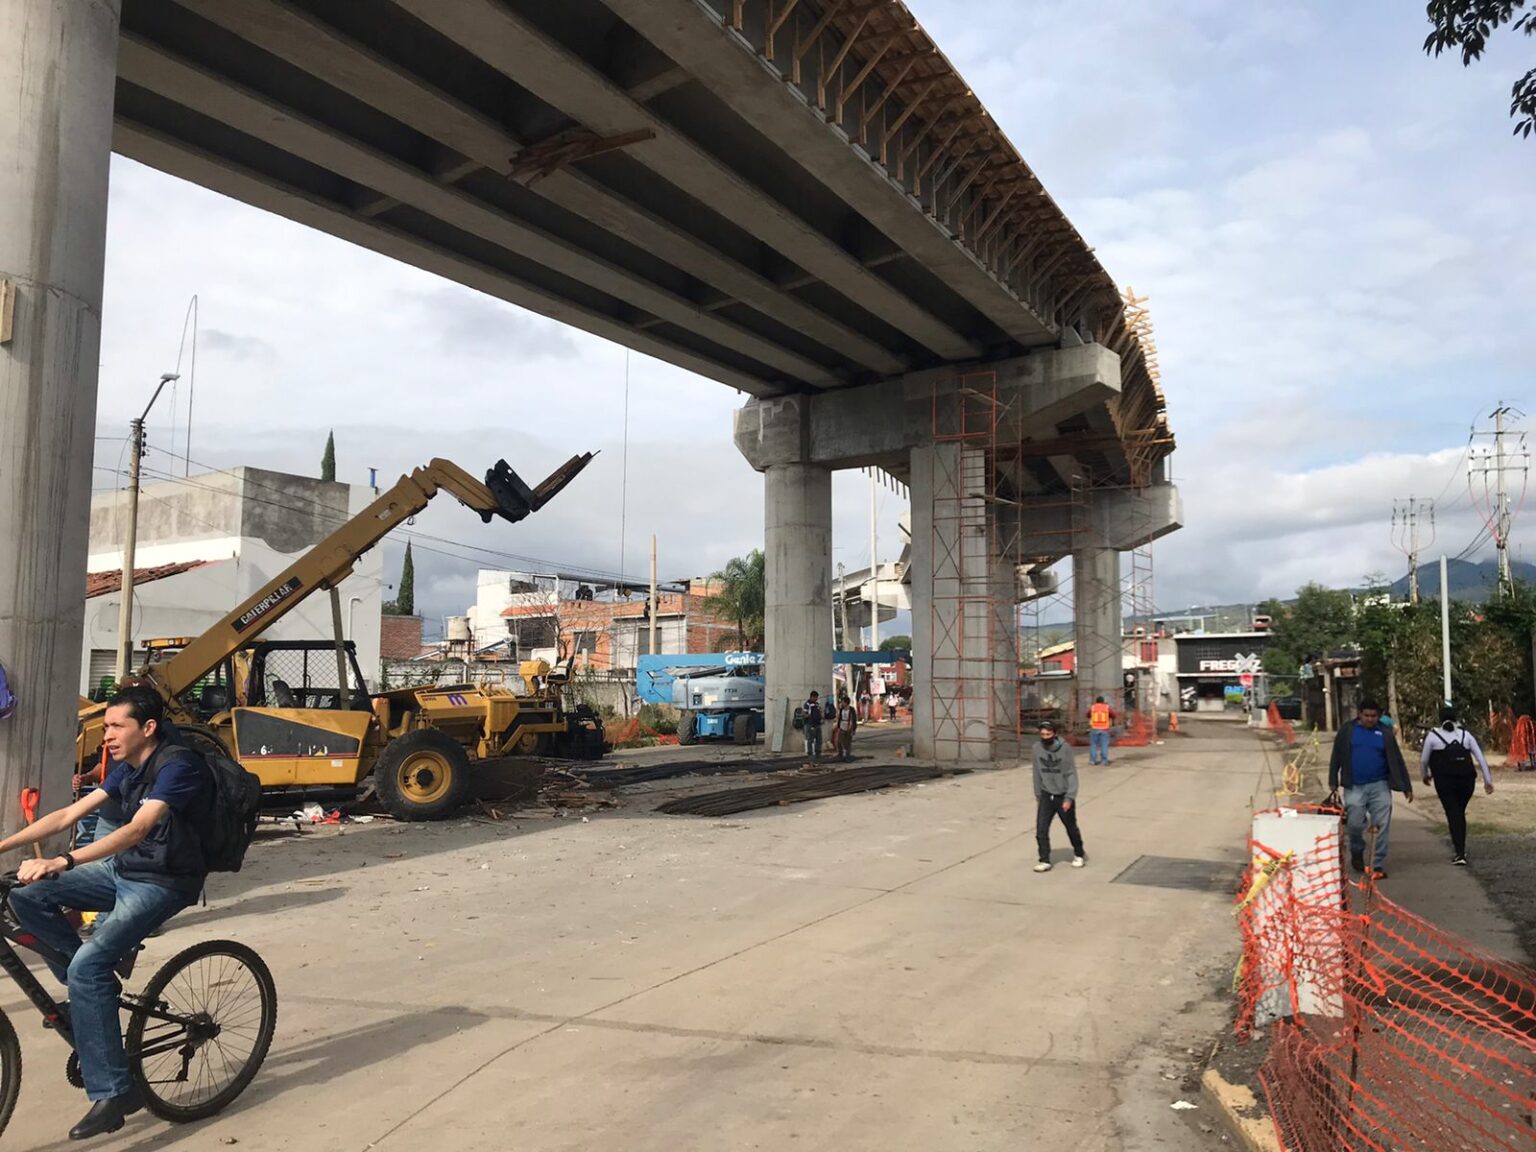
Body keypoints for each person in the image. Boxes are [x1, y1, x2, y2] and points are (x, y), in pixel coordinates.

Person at [0, 687, 212, 1140]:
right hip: (123, 871)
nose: (107, 735)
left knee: (87, 966)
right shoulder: (124, 768)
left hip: (163, 882)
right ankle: (90, 991)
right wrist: (2, 848)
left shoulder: (178, 765)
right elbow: (66, 815)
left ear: (147, 728)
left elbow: (137, 829)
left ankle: (117, 1092)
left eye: (117, 726)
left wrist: (63, 862)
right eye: (107, 726)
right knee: (25, 895)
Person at [1328, 697, 1413, 879]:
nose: (1369, 719)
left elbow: (1397, 760)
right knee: (1355, 824)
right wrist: (1333, 780)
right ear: (1359, 714)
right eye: (1366, 715)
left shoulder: (1385, 733)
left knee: (1382, 826)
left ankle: (1376, 864)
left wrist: (1406, 786)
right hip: (1354, 786)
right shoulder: (1348, 731)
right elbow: (1336, 755)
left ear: (1379, 716)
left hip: (1380, 786)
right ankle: (1357, 851)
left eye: (1373, 716)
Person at [1421, 703, 1495, 866]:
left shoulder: (1433, 736)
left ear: (1440, 719)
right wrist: (1488, 781)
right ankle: (1460, 848)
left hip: (1445, 782)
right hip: (1467, 782)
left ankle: (1460, 852)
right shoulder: (1465, 736)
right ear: (1456, 719)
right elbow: (1480, 758)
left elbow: (1424, 760)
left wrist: (1425, 775)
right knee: (1458, 813)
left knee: (1453, 814)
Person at [1032, 720, 1085, 872]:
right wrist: (1038, 795)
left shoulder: (1065, 749)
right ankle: (1044, 859)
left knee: (1070, 827)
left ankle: (1079, 853)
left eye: (1048, 734)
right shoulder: (1036, 748)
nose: (1045, 737)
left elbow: (1071, 773)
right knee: (1041, 829)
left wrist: (1069, 797)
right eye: (1042, 734)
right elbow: (1037, 773)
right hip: (1046, 794)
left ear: (1054, 734)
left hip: (1063, 795)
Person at [1087, 696, 1115, 766]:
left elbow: (1087, 714)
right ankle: (1104, 761)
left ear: (1096, 701)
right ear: (1103, 701)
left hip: (1094, 728)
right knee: (1104, 745)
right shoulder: (1106, 707)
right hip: (1104, 729)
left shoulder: (1093, 707)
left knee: (1093, 745)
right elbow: (1113, 715)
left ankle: (1092, 761)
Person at [834, 692, 858, 762]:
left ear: (846, 703)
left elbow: (853, 720)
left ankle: (847, 756)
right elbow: (839, 718)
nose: (842, 703)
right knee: (839, 741)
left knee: (847, 743)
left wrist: (853, 729)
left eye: (843, 702)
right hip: (842, 726)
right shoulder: (841, 710)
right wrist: (838, 726)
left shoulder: (851, 710)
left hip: (849, 727)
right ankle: (840, 754)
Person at [801, 691, 824, 760]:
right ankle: (810, 754)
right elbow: (804, 714)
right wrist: (810, 716)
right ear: (812, 697)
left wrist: (821, 716)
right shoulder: (807, 704)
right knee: (810, 740)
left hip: (817, 724)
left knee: (819, 739)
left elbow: (820, 711)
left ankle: (818, 753)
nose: (816, 699)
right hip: (810, 724)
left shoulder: (816, 704)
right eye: (815, 697)